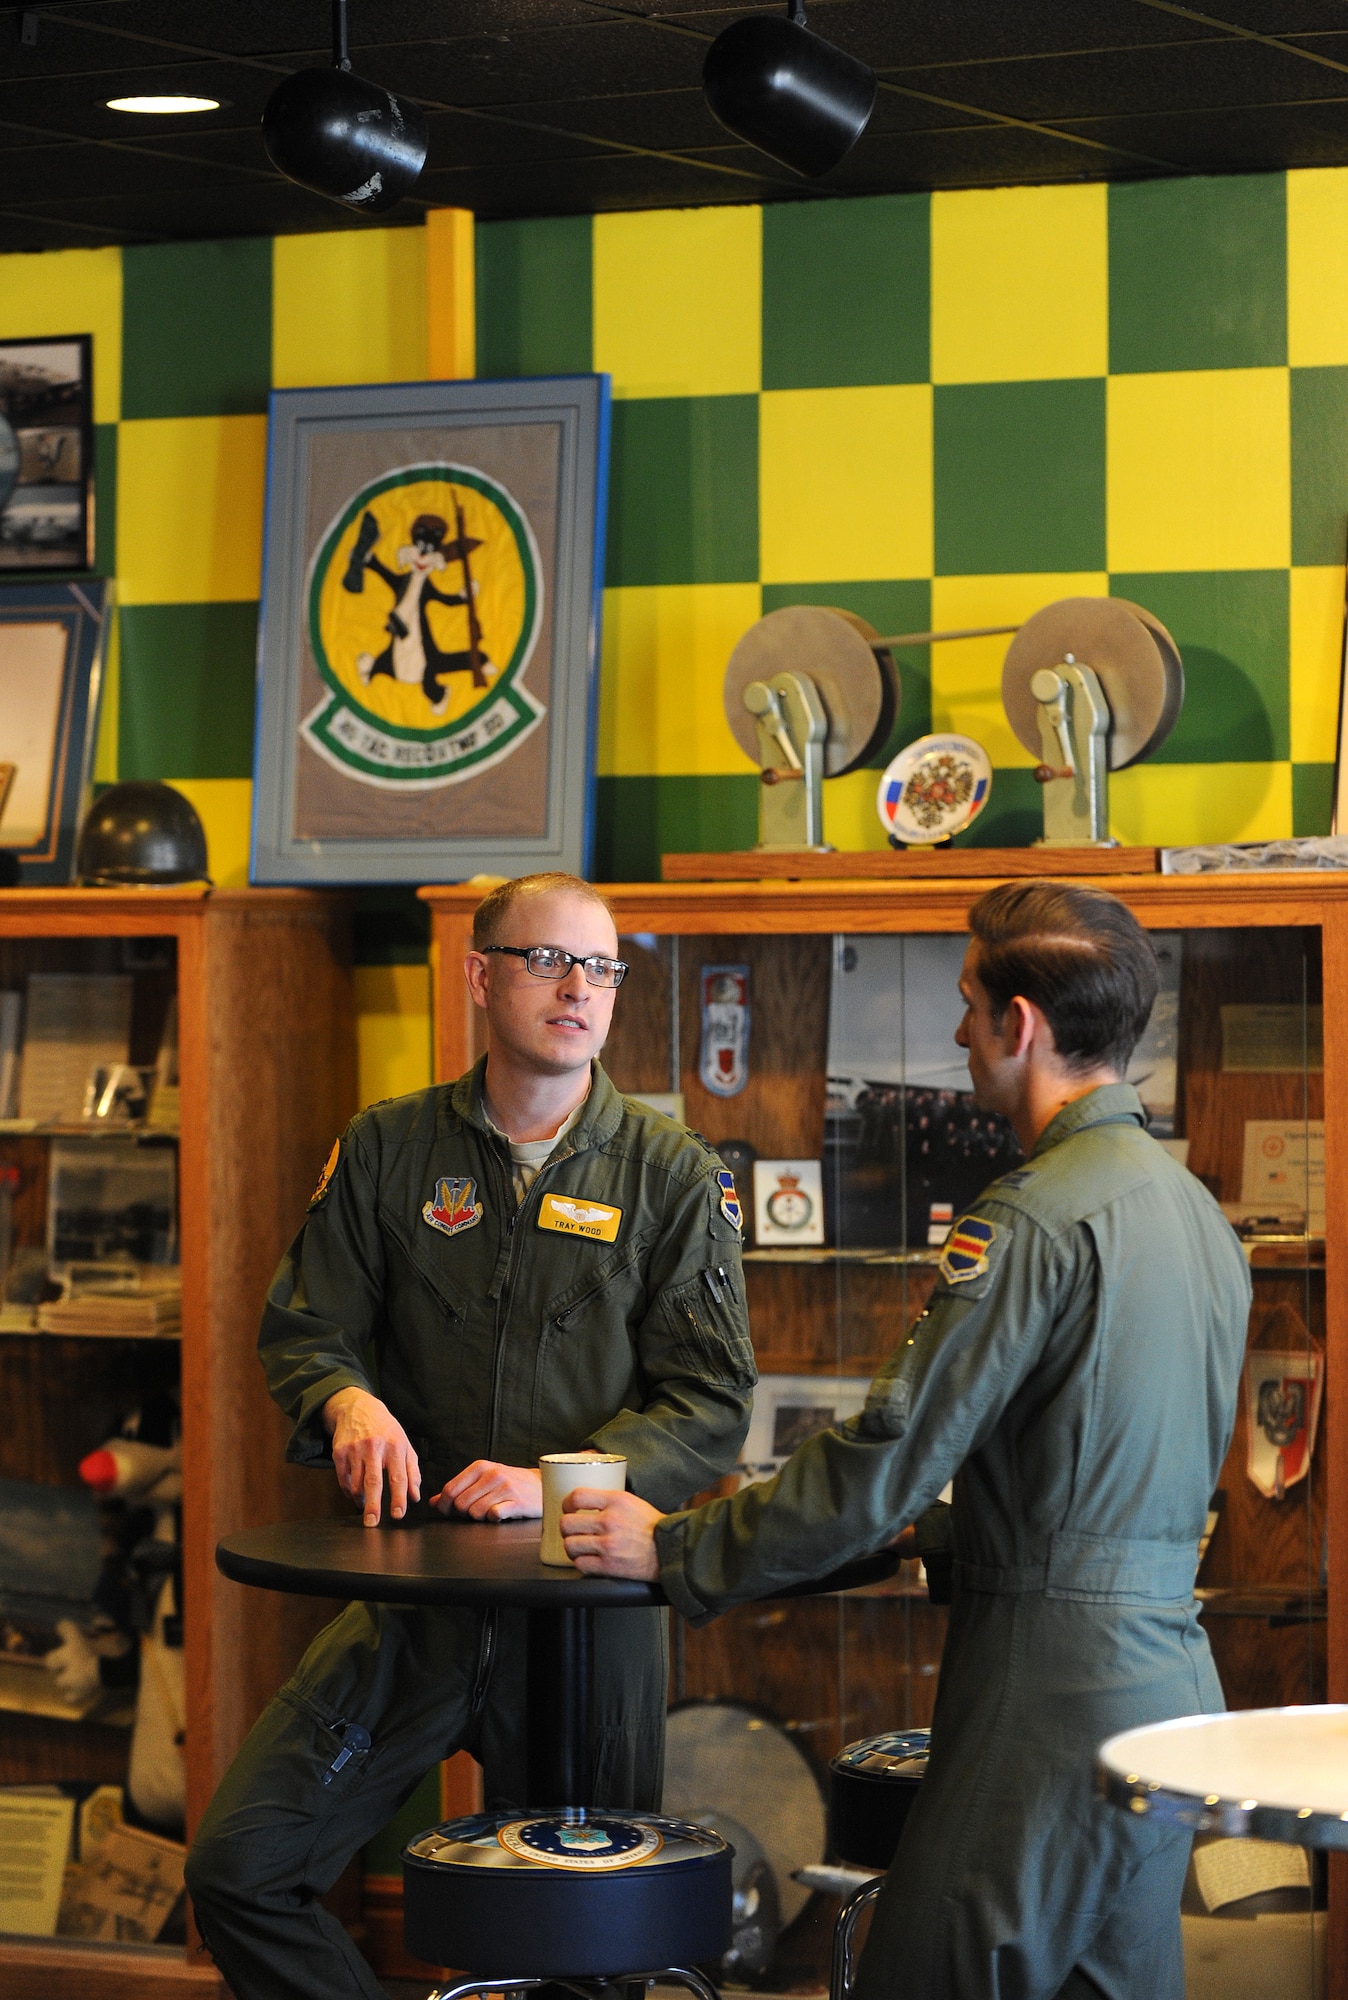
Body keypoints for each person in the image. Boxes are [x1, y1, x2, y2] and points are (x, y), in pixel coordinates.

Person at [562, 881, 1251, 2000]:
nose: (956, 1031)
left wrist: (676, 1549)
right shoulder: (1192, 1212)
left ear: (1019, 1026)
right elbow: (1092, 1464)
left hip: (1047, 1698)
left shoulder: (1031, 1215)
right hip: (1166, 1683)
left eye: (970, 1004)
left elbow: (881, 1456)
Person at [185, 872, 755, 2000]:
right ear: (481, 974)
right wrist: (344, 1400)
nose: (577, 988)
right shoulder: (389, 1149)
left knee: (593, 1956)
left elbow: (709, 1402)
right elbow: (307, 1329)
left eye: (601, 967)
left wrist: (554, 1485)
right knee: (240, 1864)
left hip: (589, 1616)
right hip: (417, 1598)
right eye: (548, 960)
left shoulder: (672, 1173)